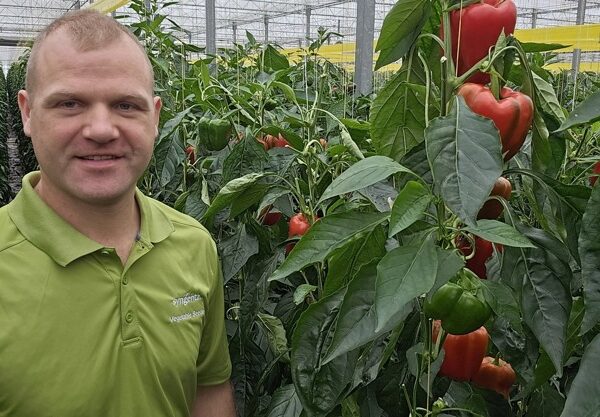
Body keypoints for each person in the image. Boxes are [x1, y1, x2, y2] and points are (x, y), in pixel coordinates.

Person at [0, 9, 236, 417]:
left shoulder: (193, 244)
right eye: (70, 103)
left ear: (156, 117)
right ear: (27, 112)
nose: (101, 129)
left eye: (127, 105)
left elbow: (208, 388)